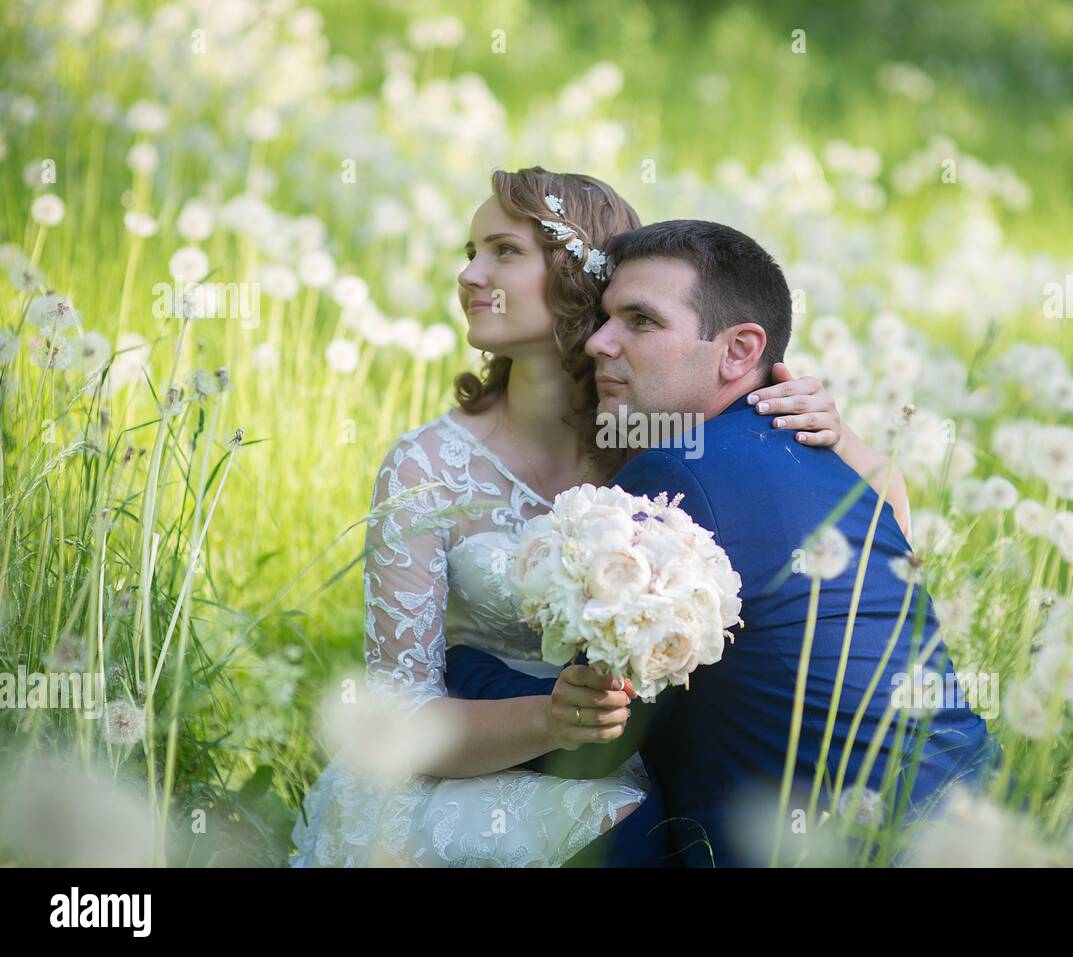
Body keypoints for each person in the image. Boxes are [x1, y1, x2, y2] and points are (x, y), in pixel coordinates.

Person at [291, 169, 901, 866]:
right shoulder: (425, 466)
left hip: (656, 754)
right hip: (472, 761)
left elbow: (888, 532)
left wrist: (837, 434)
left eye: (503, 251)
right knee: (614, 822)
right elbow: (398, 720)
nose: (470, 274)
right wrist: (555, 717)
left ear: (580, 277)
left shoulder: (660, 424)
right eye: (470, 252)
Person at [444, 219, 1002, 867]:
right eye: (603, 318)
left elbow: (594, 737)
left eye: (640, 321)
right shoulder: (828, 461)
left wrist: (460, 665)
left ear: (739, 351)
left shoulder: (673, 475)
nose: (599, 342)